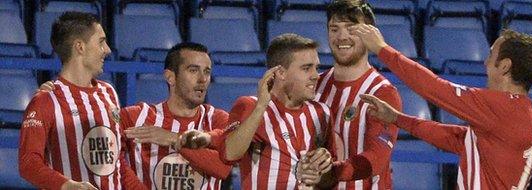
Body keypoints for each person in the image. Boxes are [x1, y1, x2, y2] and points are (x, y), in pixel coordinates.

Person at [351, 23, 532, 189]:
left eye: (491, 54)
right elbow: (458, 139)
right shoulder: (523, 113)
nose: (486, 62)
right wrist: (397, 118)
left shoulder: (501, 108)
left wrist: (381, 49)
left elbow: (434, 88)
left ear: (504, 66)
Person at [181, 33, 336, 189]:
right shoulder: (250, 106)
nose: (316, 76)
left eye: (316, 68)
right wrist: (261, 106)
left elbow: (332, 179)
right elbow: (230, 154)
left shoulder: (322, 113)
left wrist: (321, 171)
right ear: (281, 73)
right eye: (306, 68)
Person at [18, 11, 142, 190]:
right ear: (80, 47)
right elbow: (28, 163)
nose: (107, 50)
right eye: (101, 42)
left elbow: (116, 163)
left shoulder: (108, 93)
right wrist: (67, 186)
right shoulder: (46, 100)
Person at [313, 1, 403, 189]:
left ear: (370, 35)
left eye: (351, 28)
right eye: (334, 29)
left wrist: (331, 172)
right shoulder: (315, 86)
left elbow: (376, 159)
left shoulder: (383, 93)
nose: (341, 37)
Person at [120, 42, 232, 190]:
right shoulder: (136, 116)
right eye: (193, 70)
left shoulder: (217, 119)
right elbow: (113, 159)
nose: (203, 79)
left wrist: (174, 139)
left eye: (207, 72)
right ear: (170, 77)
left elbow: (223, 168)